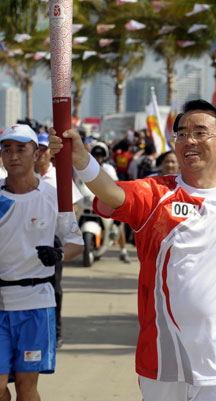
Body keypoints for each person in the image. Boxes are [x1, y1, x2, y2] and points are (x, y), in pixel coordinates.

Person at [49, 99, 216, 401]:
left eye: (200, 132)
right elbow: (111, 193)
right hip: (163, 357)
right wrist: (81, 159)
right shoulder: (155, 193)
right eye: (182, 133)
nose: (189, 140)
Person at [0, 124, 84, 401]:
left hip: (36, 303)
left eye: (21, 149)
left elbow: (76, 243)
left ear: (36, 154)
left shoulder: (54, 195)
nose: (13, 155)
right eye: (6, 149)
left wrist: (59, 254)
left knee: (26, 389)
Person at [34, 131, 84, 348]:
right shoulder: (24, 177)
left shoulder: (60, 176)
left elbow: (72, 209)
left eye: (45, 149)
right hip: (27, 237)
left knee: (53, 287)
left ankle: (56, 330)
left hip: (53, 239)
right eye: (38, 149)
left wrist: (65, 240)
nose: (41, 153)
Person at [90, 142, 130, 263]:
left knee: (118, 224)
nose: (98, 158)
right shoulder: (87, 167)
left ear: (104, 156)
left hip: (107, 201)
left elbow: (116, 184)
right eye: (96, 155)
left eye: (100, 155)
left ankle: (123, 251)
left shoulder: (108, 169)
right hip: (90, 200)